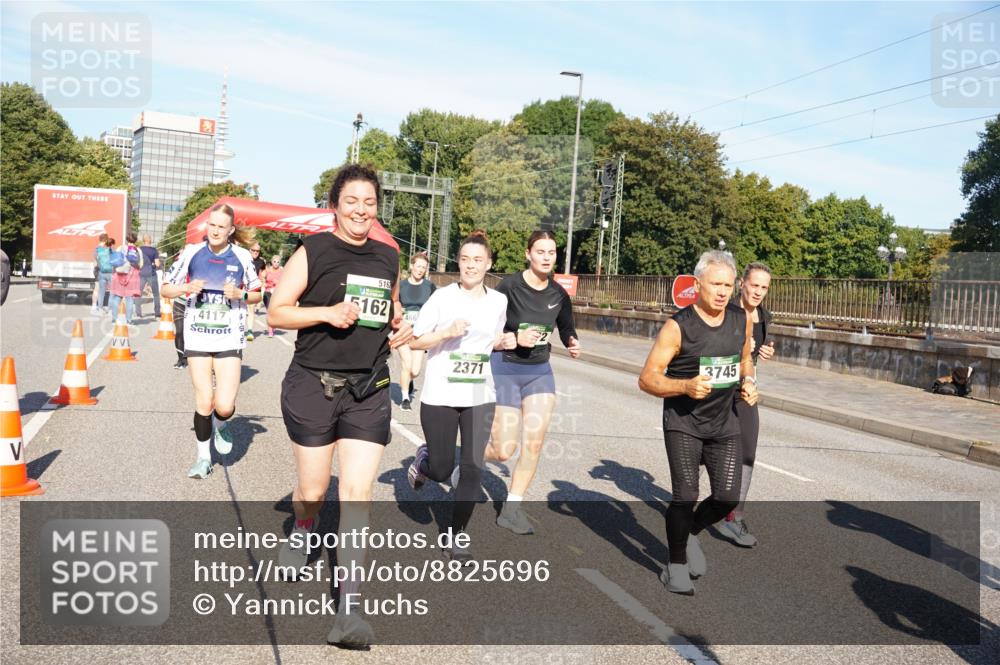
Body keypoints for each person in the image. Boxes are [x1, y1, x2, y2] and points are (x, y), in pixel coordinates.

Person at [267, 164, 412, 648]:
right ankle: (304, 526)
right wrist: (326, 313)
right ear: (335, 205)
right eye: (352, 201)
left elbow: (391, 310)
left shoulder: (388, 256)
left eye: (369, 202)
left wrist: (400, 324)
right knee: (312, 491)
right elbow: (277, 311)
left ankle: (348, 610)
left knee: (357, 494)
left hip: (368, 388)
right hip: (313, 383)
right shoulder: (314, 251)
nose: (361, 210)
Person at [638, 250, 757, 596]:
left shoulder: (740, 320)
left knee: (727, 497)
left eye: (728, 285)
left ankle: (689, 531)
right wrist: (685, 386)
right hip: (683, 423)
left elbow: (745, 358)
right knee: (686, 494)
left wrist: (748, 382)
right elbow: (647, 379)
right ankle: (675, 567)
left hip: (724, 423)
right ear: (698, 284)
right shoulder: (678, 326)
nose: (722, 291)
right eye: (715, 284)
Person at [405, 231, 507, 562]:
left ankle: (456, 535)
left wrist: (503, 342)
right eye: (465, 260)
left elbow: (489, 340)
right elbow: (416, 341)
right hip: (441, 392)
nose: (471, 266)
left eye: (478, 260)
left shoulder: (498, 302)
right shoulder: (442, 298)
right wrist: (446, 332)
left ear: (489, 264)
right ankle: (424, 461)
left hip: (480, 392)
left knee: (473, 469)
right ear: (458, 263)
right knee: (441, 468)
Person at [485, 230, 580, 535]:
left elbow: (566, 328)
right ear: (528, 254)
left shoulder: (558, 294)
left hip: (539, 371)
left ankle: (511, 509)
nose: (546, 257)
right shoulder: (509, 287)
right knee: (502, 450)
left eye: (551, 252)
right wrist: (512, 339)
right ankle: (468, 458)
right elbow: (488, 333)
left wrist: (572, 341)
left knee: (534, 443)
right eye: (540, 252)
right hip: (506, 369)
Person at [160, 204, 262, 479]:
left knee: (225, 405)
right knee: (204, 400)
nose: (215, 231)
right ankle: (203, 458)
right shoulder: (192, 252)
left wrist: (240, 294)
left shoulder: (241, 256)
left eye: (221, 227)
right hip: (198, 335)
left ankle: (221, 424)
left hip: (229, 336)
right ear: (207, 227)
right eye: (212, 225)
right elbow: (165, 288)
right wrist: (184, 287)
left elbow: (258, 295)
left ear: (231, 231)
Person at [720, 262, 774, 548]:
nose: (758, 292)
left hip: (744, 390)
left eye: (764, 288)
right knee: (706, 453)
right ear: (742, 283)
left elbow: (757, 351)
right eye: (754, 285)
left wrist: (764, 350)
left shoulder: (764, 316)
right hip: (717, 390)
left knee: (748, 450)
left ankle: (734, 517)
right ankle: (686, 508)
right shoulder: (726, 311)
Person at [397, 252, 435, 410]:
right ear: (411, 266)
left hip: (420, 333)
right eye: (418, 266)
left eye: (424, 268)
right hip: (403, 331)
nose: (420, 270)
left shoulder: (429, 286)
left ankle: (409, 381)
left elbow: (435, 309)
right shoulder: (401, 285)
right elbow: (395, 305)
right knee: (407, 364)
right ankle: (405, 398)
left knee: (415, 370)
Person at [108, 233, 142, 325]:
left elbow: (114, 261)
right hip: (132, 276)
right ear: (135, 240)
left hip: (119, 275)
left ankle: (114, 320)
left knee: (117, 297)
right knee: (129, 299)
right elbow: (141, 264)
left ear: (127, 240)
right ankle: (129, 321)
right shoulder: (138, 250)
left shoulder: (120, 248)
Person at [135, 235, 161, 320]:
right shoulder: (154, 250)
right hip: (151, 274)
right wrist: (153, 264)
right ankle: (157, 313)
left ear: (143, 240)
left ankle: (138, 313)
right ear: (151, 240)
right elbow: (157, 264)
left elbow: (136, 261)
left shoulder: (139, 250)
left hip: (141, 274)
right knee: (156, 294)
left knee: (138, 294)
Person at [245, 242, 266, 341]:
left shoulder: (261, 262)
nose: (255, 252)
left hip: (253, 287)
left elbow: (263, 272)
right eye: (253, 250)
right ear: (249, 250)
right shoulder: (243, 258)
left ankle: (249, 331)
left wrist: (263, 282)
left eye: (257, 251)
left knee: (251, 309)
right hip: (242, 286)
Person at [262, 254, 283, 337]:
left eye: (278, 262)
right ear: (272, 262)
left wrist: (278, 283)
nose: (276, 263)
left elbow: (285, 280)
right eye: (274, 261)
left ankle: (273, 325)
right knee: (269, 311)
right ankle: (270, 330)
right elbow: (262, 278)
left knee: (275, 311)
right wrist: (265, 284)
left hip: (277, 293)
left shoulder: (282, 271)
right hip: (268, 293)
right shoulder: (268, 270)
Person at [91, 234, 112, 314]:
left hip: (100, 271)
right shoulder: (109, 249)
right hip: (109, 272)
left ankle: (95, 307)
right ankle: (110, 309)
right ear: (106, 240)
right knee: (111, 291)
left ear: (100, 240)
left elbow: (95, 262)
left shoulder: (97, 249)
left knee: (98, 290)